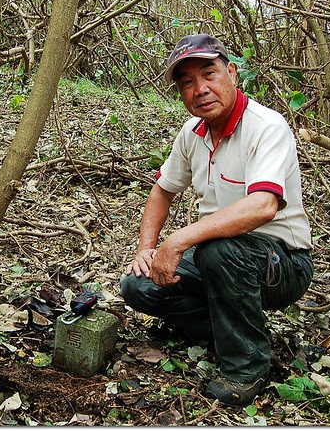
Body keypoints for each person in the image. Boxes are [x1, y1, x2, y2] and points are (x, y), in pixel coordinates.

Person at [120, 33, 313, 406]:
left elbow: (263, 206)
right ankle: (229, 330)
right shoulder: (191, 134)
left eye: (209, 74)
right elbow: (162, 189)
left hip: (282, 262)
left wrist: (177, 241)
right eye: (187, 82)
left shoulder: (266, 127)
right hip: (216, 252)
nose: (201, 89)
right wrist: (147, 249)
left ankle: (247, 369)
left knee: (219, 252)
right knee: (138, 286)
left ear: (232, 73)